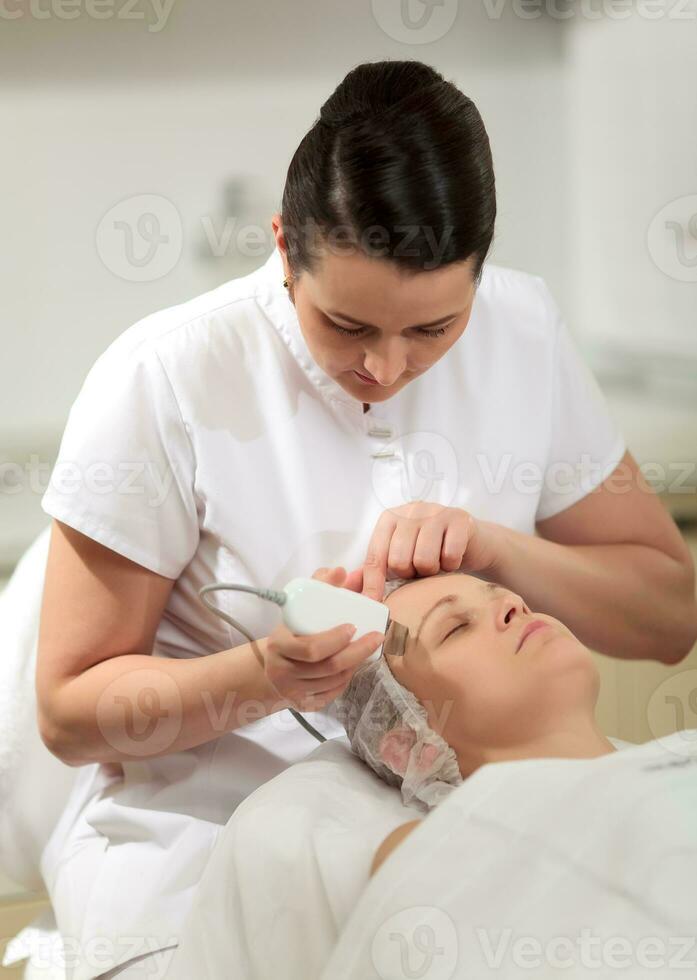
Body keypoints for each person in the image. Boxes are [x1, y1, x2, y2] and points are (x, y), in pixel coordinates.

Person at [32, 59, 695, 979]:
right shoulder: (166, 378)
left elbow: (670, 614)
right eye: (347, 326)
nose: (386, 368)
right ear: (281, 246)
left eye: (432, 330)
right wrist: (268, 676)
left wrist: (500, 549)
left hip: (466, 825)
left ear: (479, 277)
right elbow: (69, 714)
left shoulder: (521, 330)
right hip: (201, 845)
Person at [331, 568, 620, 874]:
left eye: (502, 594)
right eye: (456, 629)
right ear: (410, 747)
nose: (514, 604)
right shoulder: (435, 854)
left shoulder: (675, 764)